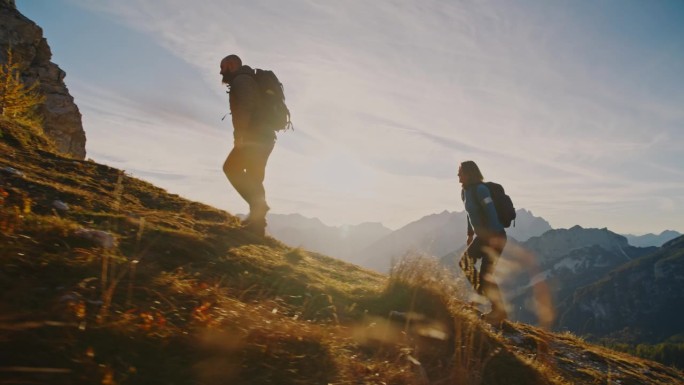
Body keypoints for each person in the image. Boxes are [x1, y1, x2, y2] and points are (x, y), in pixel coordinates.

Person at [220, 54, 276, 236]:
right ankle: (257, 225)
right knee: (254, 177)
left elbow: (246, 106)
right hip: (266, 136)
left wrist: (240, 135)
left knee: (231, 168)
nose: (221, 72)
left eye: (223, 67)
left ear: (231, 64)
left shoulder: (241, 80)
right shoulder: (248, 79)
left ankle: (258, 207)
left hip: (255, 136)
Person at [457, 160, 508, 325]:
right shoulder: (465, 192)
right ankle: (482, 295)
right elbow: (469, 212)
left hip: (495, 236)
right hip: (482, 237)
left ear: (469, 173)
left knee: (486, 275)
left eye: (460, 172)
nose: (458, 175)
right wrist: (470, 233)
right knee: (465, 263)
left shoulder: (481, 190)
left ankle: (498, 310)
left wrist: (491, 238)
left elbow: (491, 212)